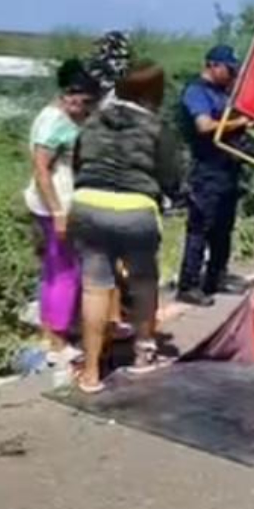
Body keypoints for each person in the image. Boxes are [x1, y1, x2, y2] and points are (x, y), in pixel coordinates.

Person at [68, 60, 182, 393]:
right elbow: (171, 176)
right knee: (144, 282)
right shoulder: (157, 127)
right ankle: (143, 356)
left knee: (95, 287)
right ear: (154, 92)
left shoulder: (92, 121)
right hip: (136, 210)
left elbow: (78, 163)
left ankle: (90, 373)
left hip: (88, 205)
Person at [23, 58, 100, 364]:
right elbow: (41, 170)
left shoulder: (56, 117)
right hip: (55, 204)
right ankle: (58, 339)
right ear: (69, 95)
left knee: (55, 269)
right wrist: (58, 212)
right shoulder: (55, 122)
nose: (86, 109)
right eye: (83, 103)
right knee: (66, 272)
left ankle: (53, 329)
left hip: (59, 202)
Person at [175, 44, 252, 306]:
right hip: (206, 169)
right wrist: (238, 123)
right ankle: (188, 284)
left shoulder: (221, 93)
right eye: (229, 70)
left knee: (223, 228)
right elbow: (204, 125)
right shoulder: (196, 91)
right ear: (213, 66)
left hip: (226, 169)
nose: (232, 75)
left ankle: (216, 277)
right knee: (201, 228)